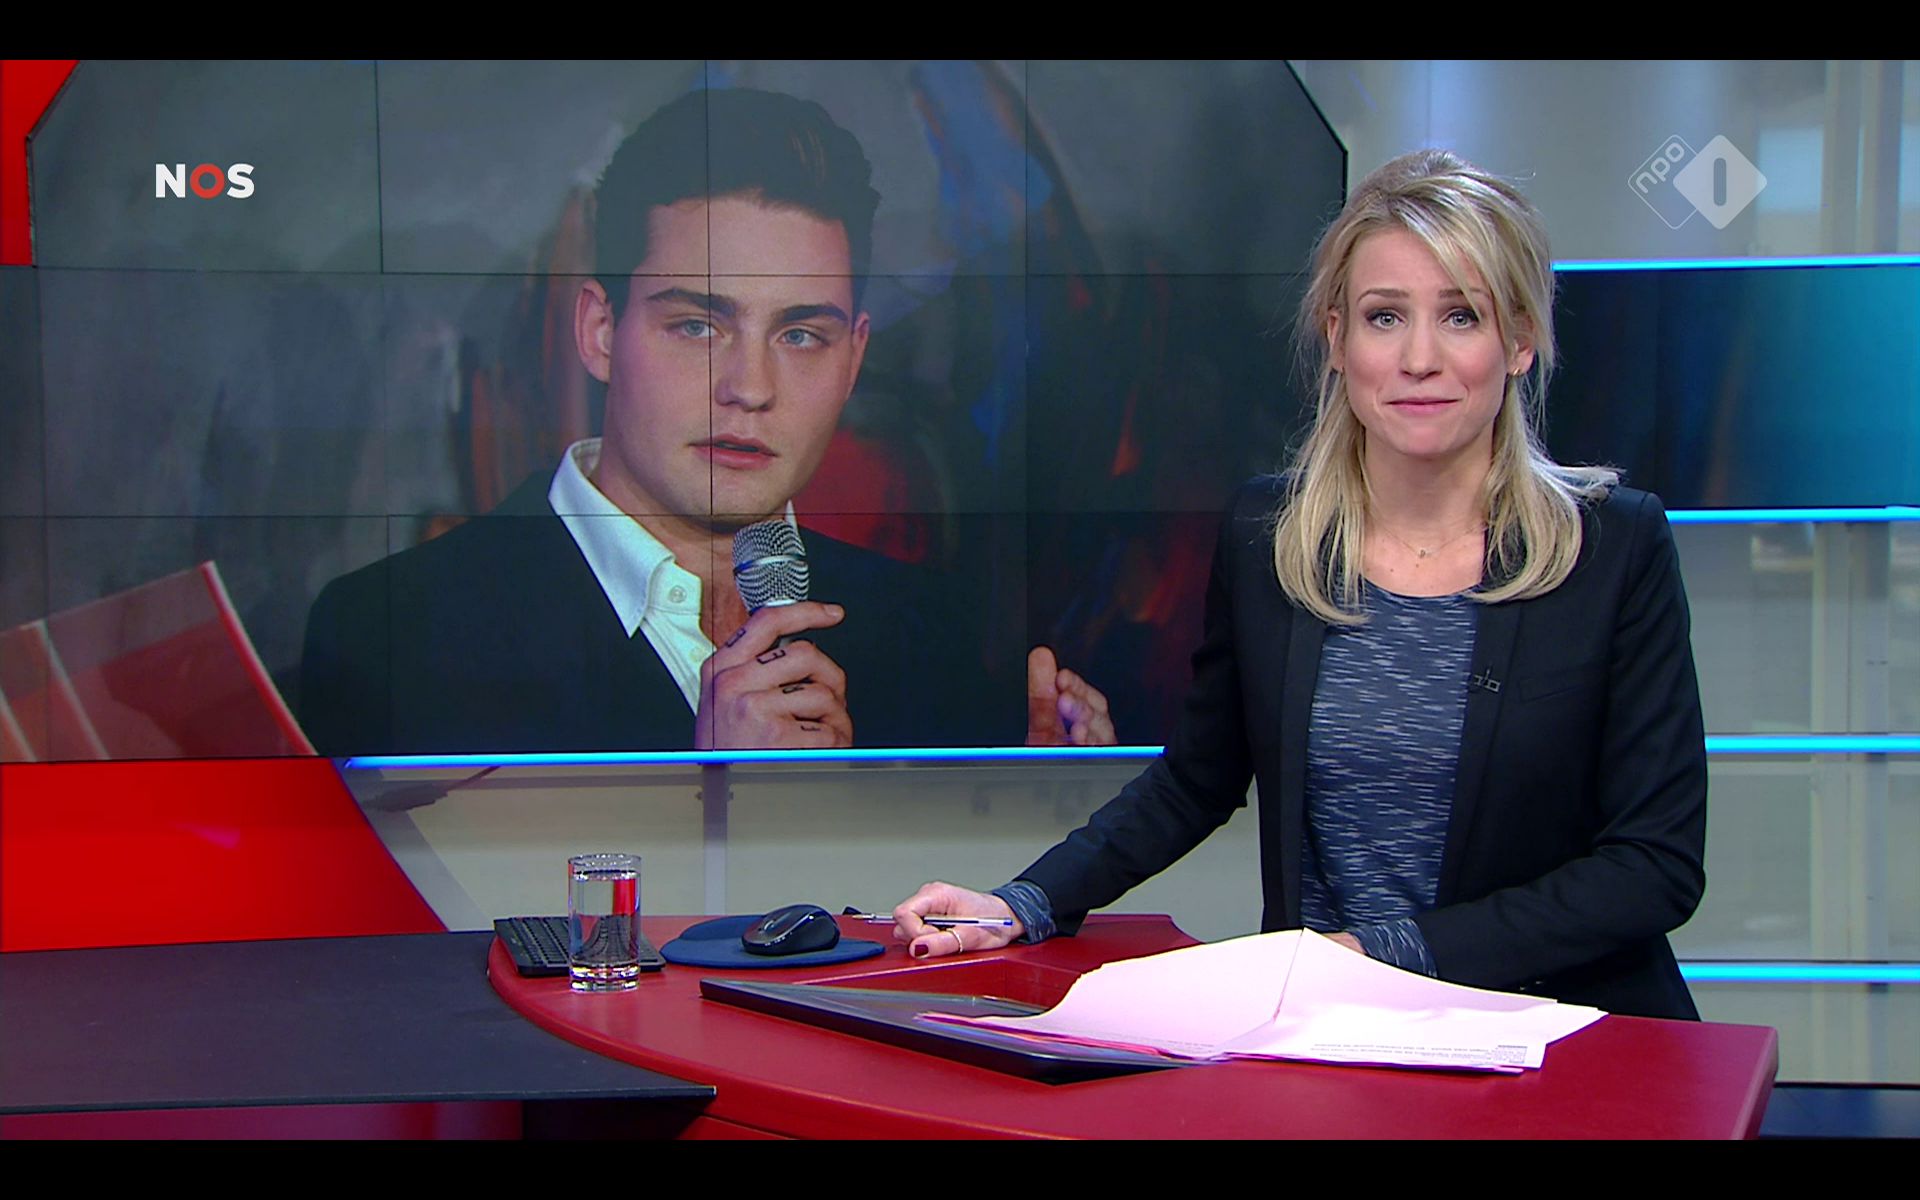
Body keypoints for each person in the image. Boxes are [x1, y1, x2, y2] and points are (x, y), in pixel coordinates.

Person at [893, 149, 1709, 1021]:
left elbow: (1653, 865)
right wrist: (1024, 902)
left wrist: (1384, 954)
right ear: (1337, 339)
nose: (1420, 357)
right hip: (1327, 1033)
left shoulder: (1614, 547)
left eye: (1461, 316)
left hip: (1548, 1037)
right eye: (1385, 317)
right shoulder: (1270, 537)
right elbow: (1195, 781)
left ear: (1518, 341)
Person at [300, 87, 1114, 755]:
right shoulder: (391, 636)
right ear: (600, 331)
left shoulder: (931, 636)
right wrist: (714, 795)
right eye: (698, 326)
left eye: (801, 335)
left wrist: (1032, 827)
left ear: (853, 359)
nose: (750, 388)